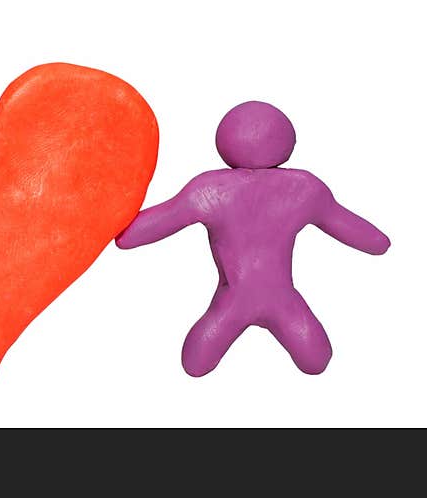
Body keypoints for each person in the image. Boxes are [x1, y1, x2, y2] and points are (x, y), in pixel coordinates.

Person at [116, 101, 390, 376]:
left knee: (196, 364)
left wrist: (115, 222)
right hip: (282, 299)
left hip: (235, 300)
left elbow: (149, 227)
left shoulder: (209, 189)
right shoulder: (304, 188)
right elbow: (358, 231)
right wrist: (380, 242)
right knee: (315, 361)